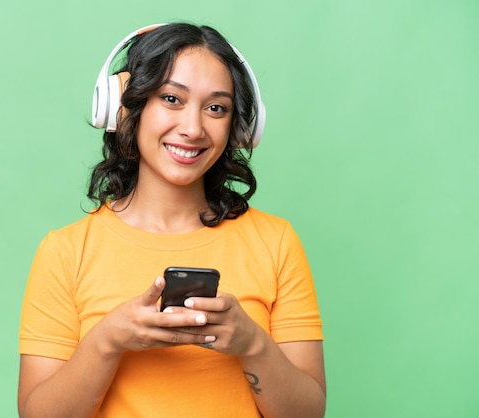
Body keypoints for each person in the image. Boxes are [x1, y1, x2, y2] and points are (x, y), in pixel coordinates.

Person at [18, 22, 326, 418]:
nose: (193, 128)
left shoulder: (277, 242)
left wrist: (251, 342)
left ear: (239, 127)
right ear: (125, 107)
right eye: (171, 98)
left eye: (216, 108)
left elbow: (308, 414)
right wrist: (108, 340)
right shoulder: (64, 252)